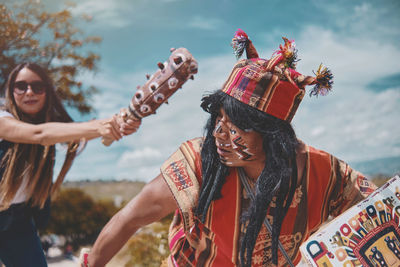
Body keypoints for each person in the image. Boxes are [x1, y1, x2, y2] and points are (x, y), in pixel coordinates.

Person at [83, 29, 376, 267]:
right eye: (218, 119)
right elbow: (130, 218)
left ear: (273, 135)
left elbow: (380, 210)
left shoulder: (321, 170)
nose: (220, 134)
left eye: (238, 125)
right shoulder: (198, 162)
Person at [0, 62, 140, 267]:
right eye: (21, 86)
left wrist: (122, 121)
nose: (29, 92)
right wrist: (100, 126)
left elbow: (76, 133)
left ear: (47, 92)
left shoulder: (53, 126)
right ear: (11, 91)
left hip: (18, 221)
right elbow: (39, 135)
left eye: (37, 86)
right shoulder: (3, 118)